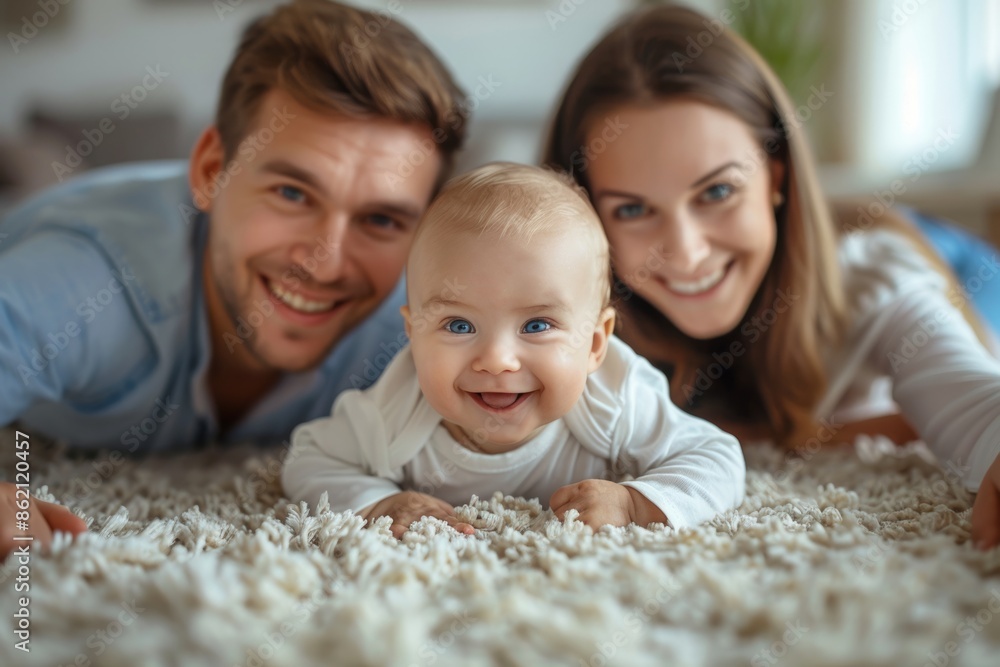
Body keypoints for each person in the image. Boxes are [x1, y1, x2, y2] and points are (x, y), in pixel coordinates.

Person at [0, 0, 467, 558]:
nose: (325, 262)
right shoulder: (84, 281)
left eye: (382, 219)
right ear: (210, 172)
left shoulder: (419, 317)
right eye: (292, 193)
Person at [543, 4, 1000, 549]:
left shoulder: (873, 281)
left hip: (948, 256)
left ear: (776, 177)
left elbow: (969, 397)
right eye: (633, 210)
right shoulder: (575, 323)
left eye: (717, 191)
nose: (687, 253)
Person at [281, 163, 746, 537]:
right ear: (414, 335)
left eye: (537, 324)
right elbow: (309, 458)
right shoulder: (391, 415)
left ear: (595, 344)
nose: (498, 359)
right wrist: (379, 502)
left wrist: (633, 502)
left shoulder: (616, 399)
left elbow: (717, 458)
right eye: (459, 324)